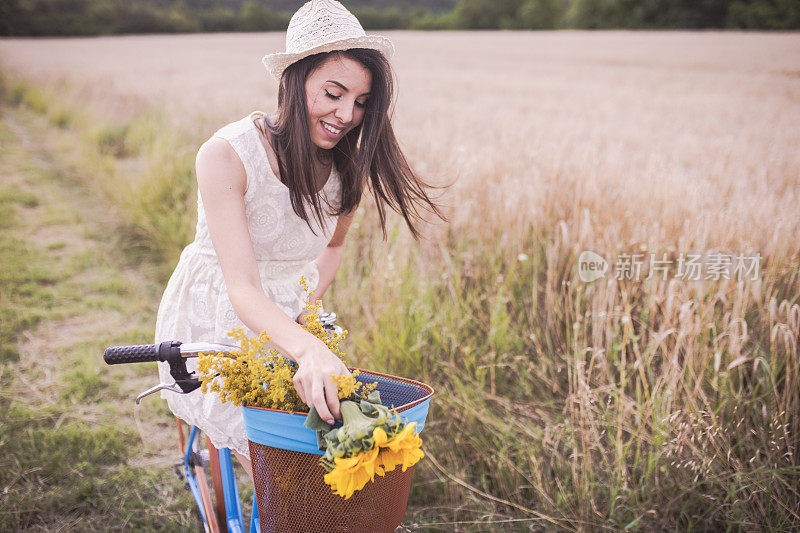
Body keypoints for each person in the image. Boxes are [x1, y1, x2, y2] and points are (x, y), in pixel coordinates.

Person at [153, 0, 445, 477]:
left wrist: (302, 320)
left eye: (361, 102)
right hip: (217, 313)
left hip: (289, 316)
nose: (346, 114)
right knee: (279, 474)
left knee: (326, 444)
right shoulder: (226, 155)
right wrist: (308, 348)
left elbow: (332, 248)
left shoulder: (349, 165)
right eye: (333, 93)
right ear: (294, 80)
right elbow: (242, 286)